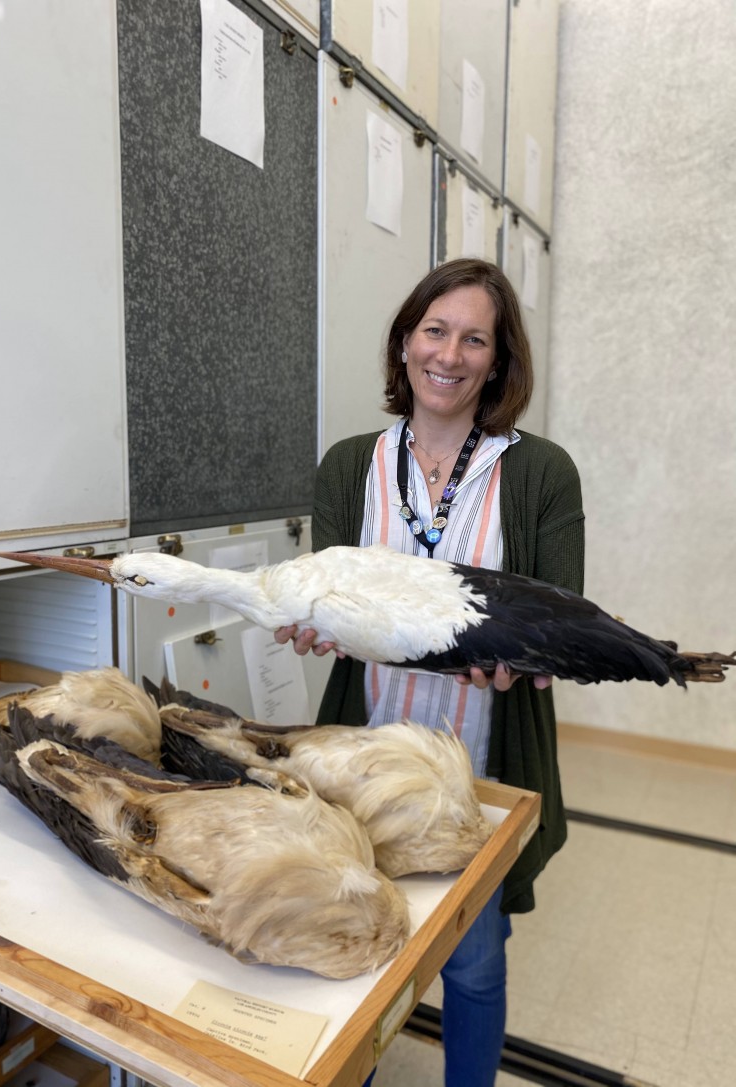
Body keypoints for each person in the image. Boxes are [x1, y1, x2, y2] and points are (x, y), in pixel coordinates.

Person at [276, 258, 584, 1087]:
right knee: (360, 948)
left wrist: (522, 664)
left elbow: (557, 620)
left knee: (473, 961)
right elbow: (330, 595)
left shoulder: (539, 473)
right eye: (434, 330)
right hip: (363, 759)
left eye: (473, 337)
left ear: (498, 358)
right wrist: (318, 625)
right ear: (405, 341)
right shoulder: (349, 465)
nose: (448, 354)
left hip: (476, 765)